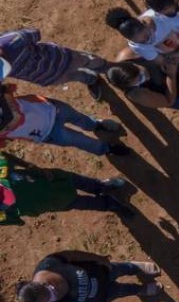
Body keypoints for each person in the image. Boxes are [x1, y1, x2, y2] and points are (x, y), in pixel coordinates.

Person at [16, 250, 158, 302]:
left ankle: (136, 267)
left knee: (121, 269)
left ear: (38, 282)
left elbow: (74, 254)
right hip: (102, 296)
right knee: (122, 291)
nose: (54, 291)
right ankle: (140, 289)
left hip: (102, 271)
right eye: (48, 297)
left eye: (48, 288)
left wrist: (98, 258)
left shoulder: (49, 264)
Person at [0, 151, 135, 224]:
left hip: (46, 180)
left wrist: (31, 167)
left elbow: (5, 157)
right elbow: (14, 219)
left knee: (78, 181)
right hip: (45, 203)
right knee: (82, 203)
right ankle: (111, 204)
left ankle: (103, 186)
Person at [0, 80, 127, 156]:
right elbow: (5, 140)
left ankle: (96, 125)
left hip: (50, 108)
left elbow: (10, 88)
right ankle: (105, 148)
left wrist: (7, 91)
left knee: (77, 117)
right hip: (46, 132)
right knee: (80, 140)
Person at [0, 27, 109, 99]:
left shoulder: (13, 39)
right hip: (46, 77)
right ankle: (91, 79)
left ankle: (104, 66)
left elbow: (34, 34)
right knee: (73, 76)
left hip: (60, 57)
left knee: (85, 60)